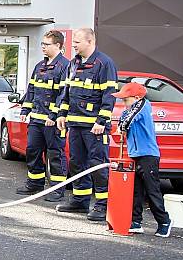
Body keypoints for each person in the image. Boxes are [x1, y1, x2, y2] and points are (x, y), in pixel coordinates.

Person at [56, 28, 118, 221]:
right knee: (77, 162)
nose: (73, 45)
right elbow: (67, 91)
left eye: (77, 41)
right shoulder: (73, 63)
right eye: (73, 42)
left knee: (97, 165)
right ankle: (80, 200)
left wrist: (102, 120)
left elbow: (109, 95)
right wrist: (62, 113)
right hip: (75, 124)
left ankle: (102, 204)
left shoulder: (104, 63)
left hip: (94, 126)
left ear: (90, 42)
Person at [15, 30, 69, 202]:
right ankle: (35, 183)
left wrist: (54, 115)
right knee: (32, 151)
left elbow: (63, 94)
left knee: (55, 154)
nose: (43, 48)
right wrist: (25, 110)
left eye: (47, 44)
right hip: (37, 119)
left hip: (52, 122)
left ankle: (57, 189)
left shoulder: (65, 67)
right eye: (42, 44)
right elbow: (31, 90)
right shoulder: (40, 66)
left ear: (58, 46)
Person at [113, 82, 172, 237]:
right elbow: (123, 119)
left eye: (126, 100)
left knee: (152, 190)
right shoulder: (131, 108)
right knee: (136, 191)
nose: (124, 103)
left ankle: (164, 221)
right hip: (136, 154)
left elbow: (125, 121)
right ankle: (136, 221)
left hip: (148, 155)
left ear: (137, 98)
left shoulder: (143, 106)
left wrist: (121, 127)